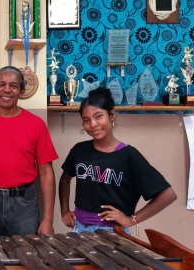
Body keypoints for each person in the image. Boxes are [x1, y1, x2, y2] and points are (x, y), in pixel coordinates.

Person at [59, 87, 177, 234]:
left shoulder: (129, 155)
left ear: (112, 115)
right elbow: (65, 180)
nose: (93, 124)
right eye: (86, 120)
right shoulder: (79, 150)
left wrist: (131, 220)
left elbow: (168, 194)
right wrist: (64, 210)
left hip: (112, 232)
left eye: (98, 116)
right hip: (79, 229)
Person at [0, 66, 58, 239]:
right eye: (1, 84)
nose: (7, 89)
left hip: (25, 204)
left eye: (13, 86)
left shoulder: (36, 124)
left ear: (22, 91)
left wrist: (48, 220)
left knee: (26, 258)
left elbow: (46, 172)